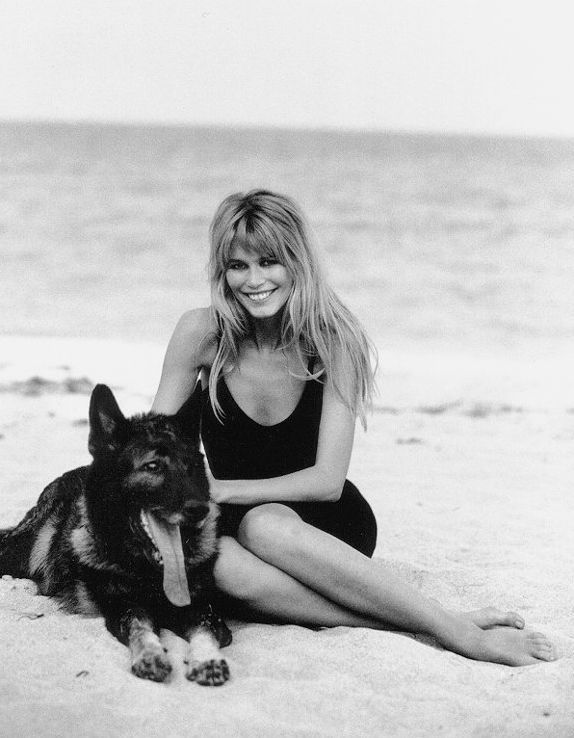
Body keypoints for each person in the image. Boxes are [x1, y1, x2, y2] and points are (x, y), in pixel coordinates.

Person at [152, 189, 555, 666]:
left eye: (269, 262)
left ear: (297, 262)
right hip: (234, 521)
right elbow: (154, 440)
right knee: (220, 566)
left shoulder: (334, 339)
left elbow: (326, 482)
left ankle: (459, 635)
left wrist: (217, 490)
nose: (254, 280)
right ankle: (435, 619)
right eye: (238, 266)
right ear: (222, 273)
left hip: (326, 521)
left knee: (266, 525)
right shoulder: (201, 334)